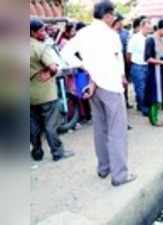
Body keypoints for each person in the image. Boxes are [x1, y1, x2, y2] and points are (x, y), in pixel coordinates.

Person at [61, 0, 135, 187]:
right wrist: (122, 77)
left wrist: (85, 67)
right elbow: (116, 61)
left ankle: (104, 168)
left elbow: (65, 54)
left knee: (100, 129)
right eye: (114, 14)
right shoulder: (111, 35)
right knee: (117, 132)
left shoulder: (83, 33)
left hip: (93, 86)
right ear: (108, 15)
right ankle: (120, 175)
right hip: (110, 85)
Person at [30, 19, 74, 162]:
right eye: (42, 30)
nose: (45, 33)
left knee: (34, 126)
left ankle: (37, 152)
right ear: (33, 32)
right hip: (45, 93)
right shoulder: (40, 47)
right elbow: (54, 67)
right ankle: (57, 152)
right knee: (51, 125)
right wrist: (50, 73)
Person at [127, 19, 152, 115]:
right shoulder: (134, 38)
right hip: (137, 66)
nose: (148, 30)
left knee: (146, 88)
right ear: (141, 27)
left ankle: (140, 105)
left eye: (150, 28)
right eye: (147, 28)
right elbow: (129, 54)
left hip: (148, 65)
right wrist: (132, 64)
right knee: (140, 88)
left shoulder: (150, 38)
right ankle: (144, 109)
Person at [112, 13, 133, 110]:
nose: (121, 24)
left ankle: (125, 101)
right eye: (120, 21)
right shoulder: (109, 34)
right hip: (113, 62)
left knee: (125, 82)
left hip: (124, 60)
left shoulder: (126, 33)